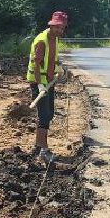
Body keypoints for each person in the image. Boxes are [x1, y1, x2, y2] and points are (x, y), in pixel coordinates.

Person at [26, 10, 68, 164]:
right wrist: (40, 85)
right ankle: (43, 151)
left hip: (49, 82)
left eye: (62, 28)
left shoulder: (55, 39)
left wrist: (60, 69)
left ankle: (38, 146)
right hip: (39, 82)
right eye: (58, 27)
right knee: (44, 115)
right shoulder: (42, 41)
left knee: (49, 114)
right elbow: (37, 65)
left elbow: (53, 59)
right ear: (52, 25)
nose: (60, 30)